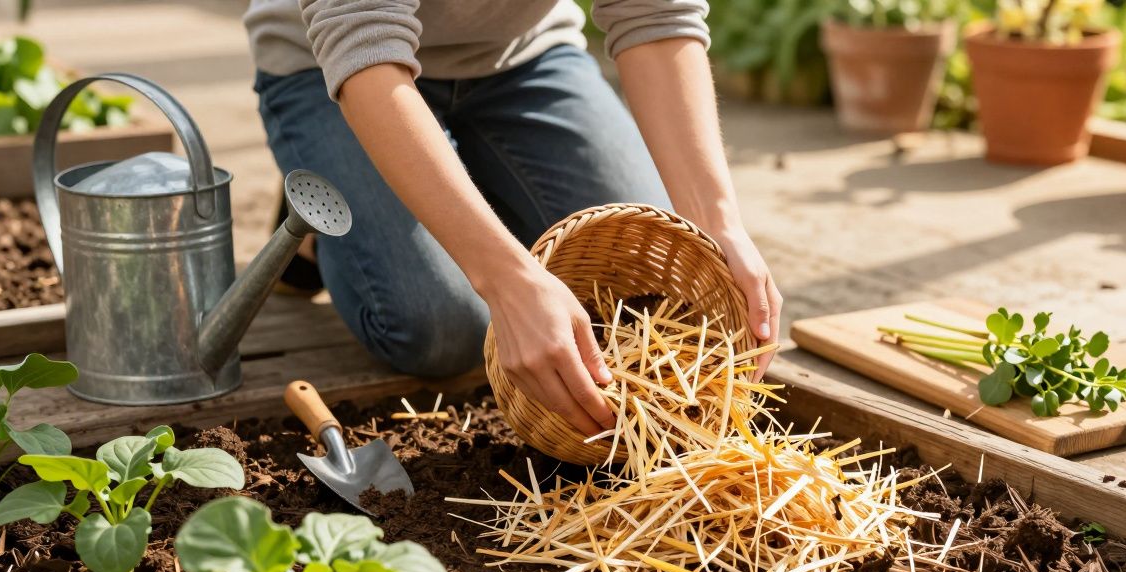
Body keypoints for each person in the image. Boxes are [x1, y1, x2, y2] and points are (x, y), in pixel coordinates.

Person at [244, 0, 782, 438]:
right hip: (334, 66)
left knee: (641, 275)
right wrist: (508, 282)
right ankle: (318, 226)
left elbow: (655, 15)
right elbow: (362, 40)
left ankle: (453, 200)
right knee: (445, 329)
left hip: (522, 59)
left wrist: (716, 221)